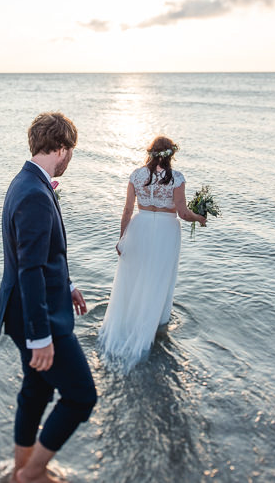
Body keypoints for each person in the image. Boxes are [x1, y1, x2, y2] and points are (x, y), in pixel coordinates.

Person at [0, 112, 97, 483]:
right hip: (37, 318)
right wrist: (41, 337)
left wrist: (68, 284)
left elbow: (40, 256)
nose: (71, 159)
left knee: (36, 391)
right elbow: (30, 270)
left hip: (25, 310)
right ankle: (31, 475)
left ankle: (21, 468)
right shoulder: (36, 194)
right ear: (61, 148)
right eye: (71, 151)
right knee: (81, 396)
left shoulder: (26, 182)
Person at [97, 136, 206, 372]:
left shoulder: (136, 175)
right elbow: (184, 213)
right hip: (166, 231)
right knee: (159, 277)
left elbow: (127, 210)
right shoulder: (176, 178)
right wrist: (200, 218)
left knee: (134, 277)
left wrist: (122, 238)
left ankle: (128, 320)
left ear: (151, 153)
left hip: (140, 227)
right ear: (171, 155)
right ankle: (155, 324)